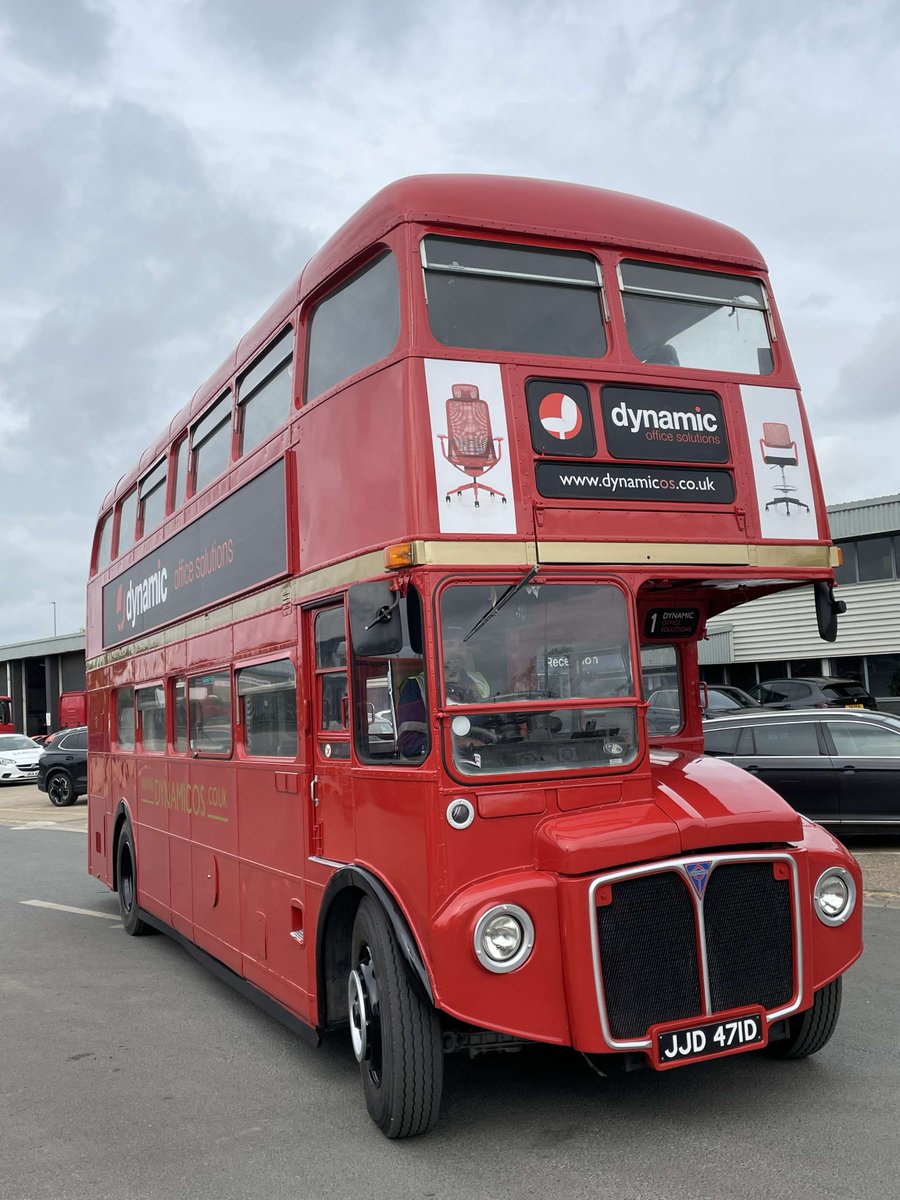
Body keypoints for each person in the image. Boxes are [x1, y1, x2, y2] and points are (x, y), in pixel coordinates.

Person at [442, 626, 491, 704]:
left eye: (461, 645)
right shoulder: (418, 686)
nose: (457, 650)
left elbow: (487, 712)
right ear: (435, 649)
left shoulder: (479, 682)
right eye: (449, 645)